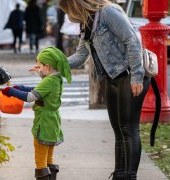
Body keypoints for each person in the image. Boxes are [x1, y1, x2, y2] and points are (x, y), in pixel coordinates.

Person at [58, 0, 150, 179]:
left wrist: (137, 76)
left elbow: (132, 39)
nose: (68, 15)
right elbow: (81, 56)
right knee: (118, 131)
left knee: (129, 129)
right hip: (112, 77)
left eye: (67, 9)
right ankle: (119, 174)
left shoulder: (108, 12)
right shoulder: (87, 23)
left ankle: (130, 176)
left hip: (130, 74)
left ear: (75, 5)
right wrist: (55, 65)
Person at [1, 47, 71, 180]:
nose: (37, 69)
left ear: (47, 67)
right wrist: (21, 88)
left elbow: (30, 97)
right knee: (48, 156)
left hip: (44, 123)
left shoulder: (49, 81)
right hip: (53, 122)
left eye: (39, 66)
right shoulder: (56, 79)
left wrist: (11, 91)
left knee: (40, 159)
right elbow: (39, 90)